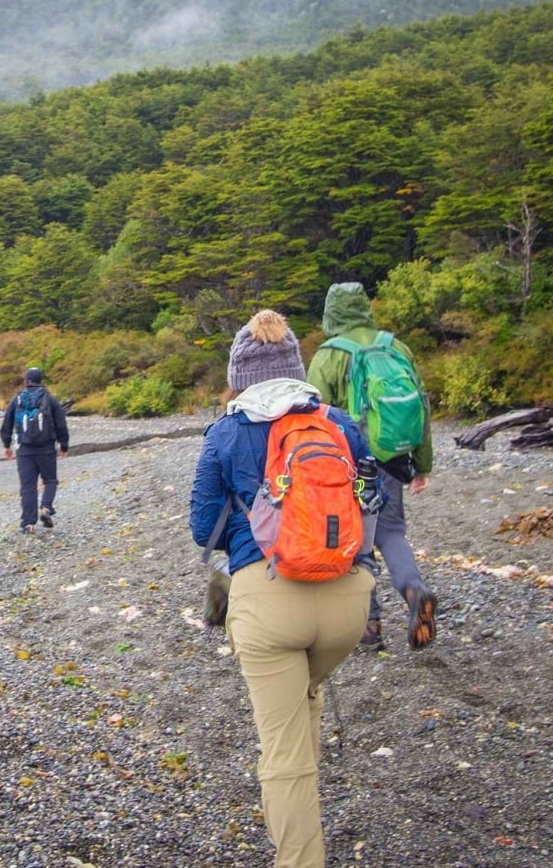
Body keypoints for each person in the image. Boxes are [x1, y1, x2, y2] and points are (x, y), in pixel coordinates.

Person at [189, 308, 374, 868]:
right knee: (304, 696)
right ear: (296, 368)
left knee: (285, 754)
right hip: (348, 602)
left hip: (267, 604)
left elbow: (203, 528)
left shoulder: (225, 431)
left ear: (239, 377)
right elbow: (372, 501)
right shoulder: (340, 424)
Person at [307, 281, 438, 650]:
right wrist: (421, 464)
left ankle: (369, 626)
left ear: (331, 312)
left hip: (349, 463)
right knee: (391, 531)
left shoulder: (328, 355)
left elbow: (316, 418)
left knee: (355, 542)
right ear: (365, 307)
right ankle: (414, 590)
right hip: (393, 457)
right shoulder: (396, 347)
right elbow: (421, 408)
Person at [0, 367, 69, 534]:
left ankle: (28, 524)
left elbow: (7, 424)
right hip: (46, 448)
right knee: (50, 480)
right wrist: (64, 445)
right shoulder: (50, 399)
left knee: (28, 486)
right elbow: (61, 424)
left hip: (24, 449)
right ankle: (46, 507)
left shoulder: (17, 400)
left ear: (26, 381)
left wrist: (6, 445)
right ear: (41, 380)